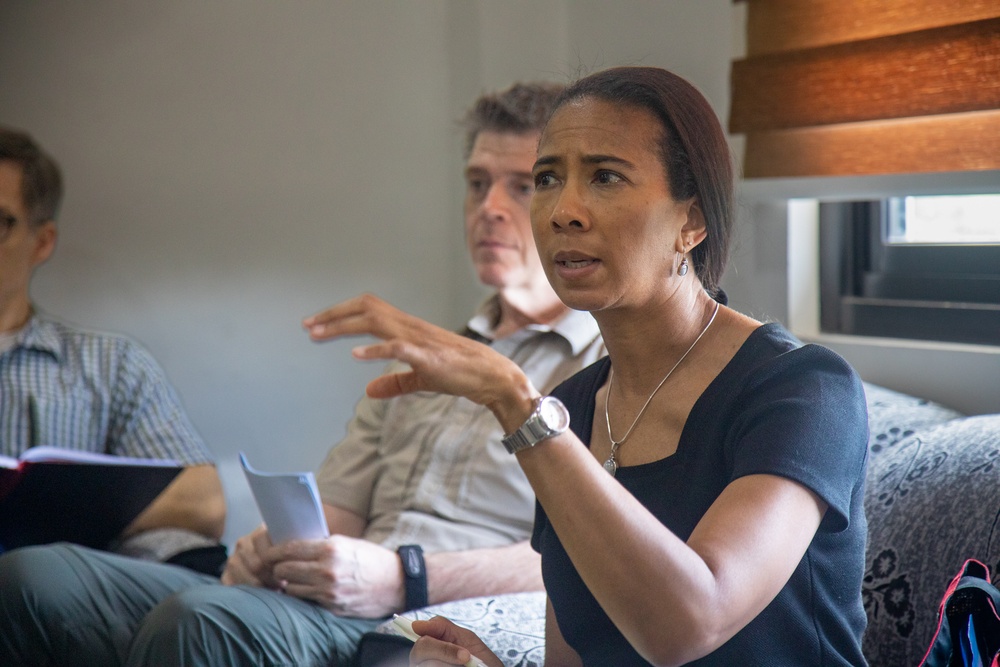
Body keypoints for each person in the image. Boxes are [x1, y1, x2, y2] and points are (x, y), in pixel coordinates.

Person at [0, 82, 606, 666]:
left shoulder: (604, 364)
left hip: (428, 610)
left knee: (198, 622)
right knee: (32, 578)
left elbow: (603, 555)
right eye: (477, 184)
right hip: (339, 592)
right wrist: (271, 550)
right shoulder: (426, 353)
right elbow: (333, 513)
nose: (490, 209)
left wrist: (406, 577)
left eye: (522, 186)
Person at [305, 67, 870, 666]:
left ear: (692, 221)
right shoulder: (572, 408)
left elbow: (689, 623)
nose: (562, 211)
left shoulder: (802, 390)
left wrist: (516, 403)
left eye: (605, 177)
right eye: (548, 178)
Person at [0, 126, 226, 563]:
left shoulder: (108, 365)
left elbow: (203, 503)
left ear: (41, 242)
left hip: (43, 593)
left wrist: (44, 506)